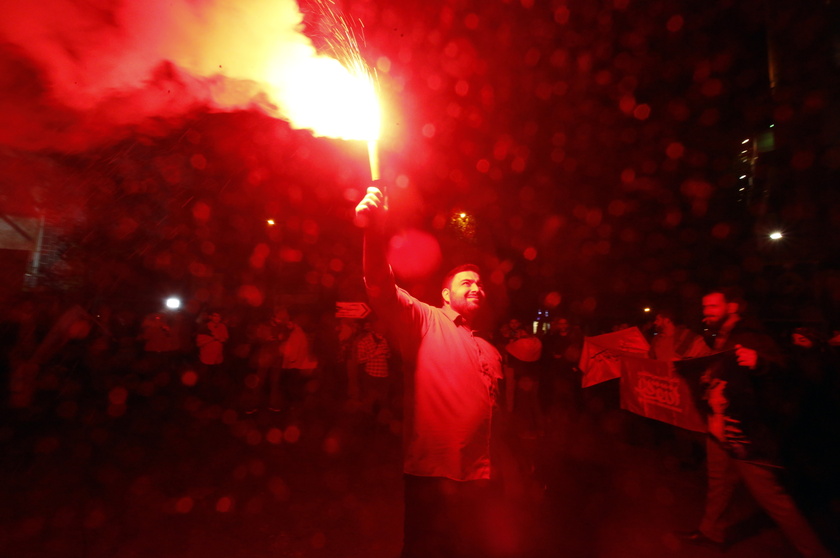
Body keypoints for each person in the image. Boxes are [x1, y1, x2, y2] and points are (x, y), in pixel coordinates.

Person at [355, 185, 504, 558]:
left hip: (479, 476)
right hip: (433, 474)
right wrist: (374, 231)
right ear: (445, 295)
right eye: (466, 282)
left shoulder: (489, 348)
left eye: (480, 284)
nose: (476, 288)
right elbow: (379, 284)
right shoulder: (425, 320)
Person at [677, 289, 835, 557]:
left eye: (714, 306)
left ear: (733, 307)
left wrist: (759, 363)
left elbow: (784, 371)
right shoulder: (716, 335)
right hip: (719, 423)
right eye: (705, 307)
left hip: (744, 431)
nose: (707, 312)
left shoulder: (752, 335)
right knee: (719, 481)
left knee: (773, 499)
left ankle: (816, 552)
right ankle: (711, 533)